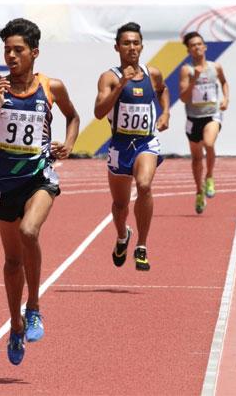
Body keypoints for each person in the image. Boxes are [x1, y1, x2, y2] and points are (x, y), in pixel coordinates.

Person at [0, 18, 80, 366]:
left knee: (30, 230)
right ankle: (15, 322)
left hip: (39, 175)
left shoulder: (52, 87)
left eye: (18, 50)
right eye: (7, 50)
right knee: (12, 261)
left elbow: (73, 117)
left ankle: (34, 308)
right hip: (4, 184)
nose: (11, 56)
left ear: (34, 53)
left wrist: (69, 144)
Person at [93, 22, 170, 274]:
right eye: (126, 43)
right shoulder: (109, 77)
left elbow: (162, 90)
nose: (132, 48)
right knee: (120, 205)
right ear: (117, 47)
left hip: (146, 141)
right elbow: (99, 111)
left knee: (145, 185)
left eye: (136, 43)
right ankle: (122, 234)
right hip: (120, 144)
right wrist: (119, 86)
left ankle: (142, 246)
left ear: (142, 46)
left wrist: (165, 113)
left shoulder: (152, 73)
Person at [178, 31, 229, 214]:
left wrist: (226, 99)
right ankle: (199, 191)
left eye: (199, 44)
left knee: (209, 143)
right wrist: (193, 80)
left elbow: (224, 83)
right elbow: (183, 98)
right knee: (197, 159)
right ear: (189, 50)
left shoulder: (216, 67)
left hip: (212, 115)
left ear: (205, 47)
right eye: (193, 45)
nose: (197, 47)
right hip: (193, 118)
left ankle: (210, 177)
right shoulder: (187, 70)